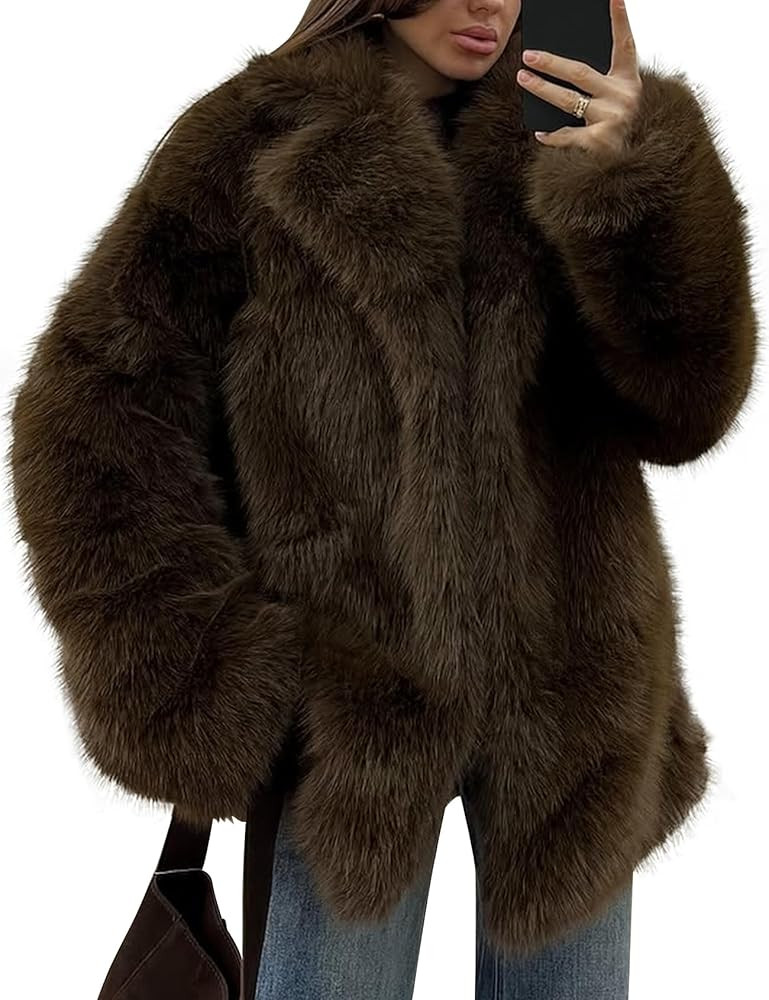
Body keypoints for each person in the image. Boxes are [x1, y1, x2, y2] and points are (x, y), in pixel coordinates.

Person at [7, 1, 757, 998]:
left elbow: (684, 408)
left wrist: (630, 188)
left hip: (573, 696)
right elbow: (95, 404)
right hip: (348, 710)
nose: (488, 4)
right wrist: (206, 662)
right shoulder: (252, 138)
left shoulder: (577, 127)